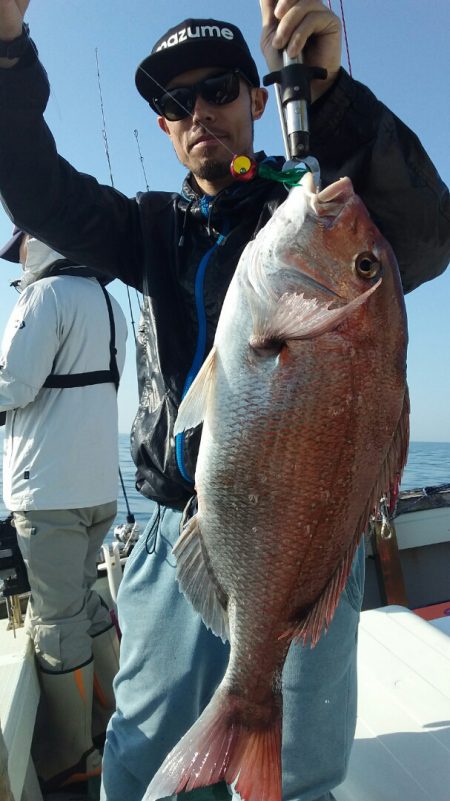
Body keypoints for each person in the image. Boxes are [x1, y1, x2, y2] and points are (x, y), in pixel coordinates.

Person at [0, 2, 448, 801]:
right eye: (177, 103)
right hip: (179, 530)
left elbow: (422, 234)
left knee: (297, 776)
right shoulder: (149, 228)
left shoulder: (304, 204)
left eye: (217, 91)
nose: (199, 112)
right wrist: (6, 49)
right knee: (146, 764)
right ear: (166, 128)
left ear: (256, 98)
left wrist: (329, 91)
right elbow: (37, 192)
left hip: (310, 539)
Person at [0, 229, 127, 793]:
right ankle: (110, 723)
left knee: (55, 622)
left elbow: (13, 383)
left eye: (21, 247)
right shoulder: (107, 302)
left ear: (41, 242)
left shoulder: (43, 297)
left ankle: (72, 757)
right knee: (81, 604)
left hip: (48, 491)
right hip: (96, 489)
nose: (19, 260)